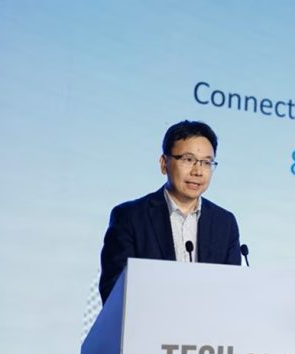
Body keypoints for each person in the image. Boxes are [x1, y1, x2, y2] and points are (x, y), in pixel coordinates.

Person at [98, 120, 241, 303]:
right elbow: (113, 292)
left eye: (206, 162)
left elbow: (231, 292)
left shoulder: (225, 223)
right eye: (188, 160)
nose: (198, 171)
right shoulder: (130, 217)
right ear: (164, 163)